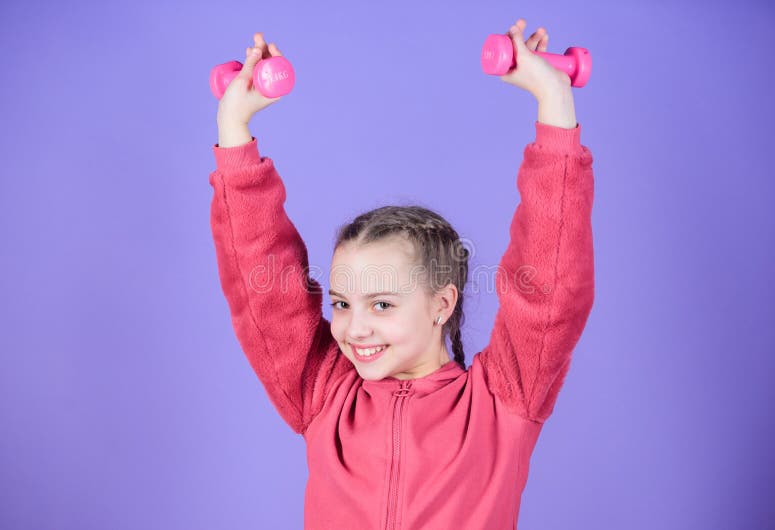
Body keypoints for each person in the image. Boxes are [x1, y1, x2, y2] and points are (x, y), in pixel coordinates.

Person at [209, 18, 594, 530]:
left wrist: (554, 103)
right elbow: (261, 282)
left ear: (442, 303)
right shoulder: (324, 394)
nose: (354, 328)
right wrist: (234, 132)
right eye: (342, 303)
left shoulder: (502, 402)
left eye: (383, 304)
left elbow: (549, 283)